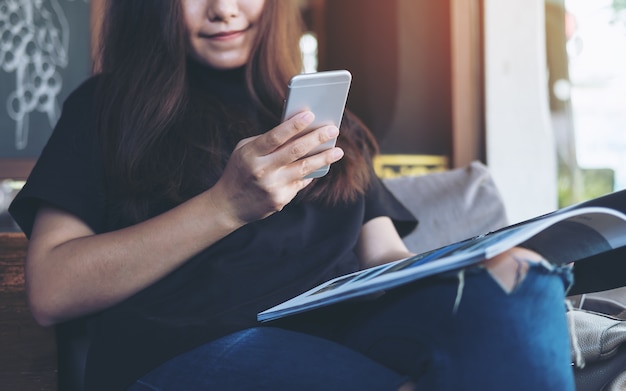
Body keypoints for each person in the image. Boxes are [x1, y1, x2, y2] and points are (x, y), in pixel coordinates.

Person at [9, 0, 575, 390]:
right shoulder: (104, 109)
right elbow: (52, 289)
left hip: (343, 329)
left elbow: (384, 257)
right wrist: (224, 205)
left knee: (519, 279)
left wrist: (481, 265)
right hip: (192, 347)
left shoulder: (330, 119)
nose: (224, 8)